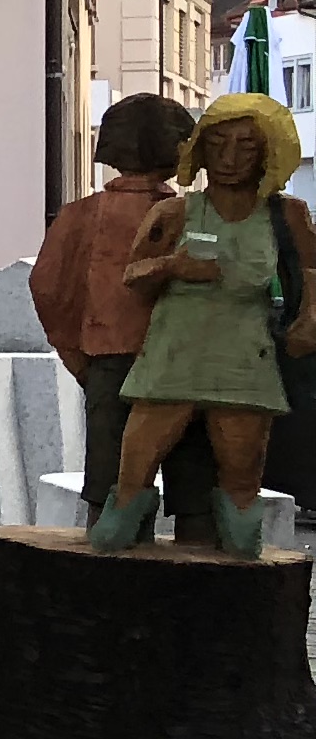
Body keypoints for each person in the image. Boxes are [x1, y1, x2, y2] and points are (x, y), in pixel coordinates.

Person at [95, 93, 316, 555]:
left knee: (242, 483)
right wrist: (172, 266)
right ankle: (113, 551)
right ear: (199, 151)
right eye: (217, 144)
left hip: (244, 358)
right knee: (132, 475)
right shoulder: (175, 212)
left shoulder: (287, 215)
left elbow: (313, 271)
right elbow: (133, 274)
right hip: (173, 354)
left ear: (268, 153)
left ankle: (242, 571)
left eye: (246, 146)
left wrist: (309, 320)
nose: (229, 158)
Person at [34, 95, 212, 539]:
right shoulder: (197, 216)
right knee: (195, 488)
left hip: (109, 360)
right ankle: (200, 568)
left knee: (111, 490)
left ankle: (111, 565)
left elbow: (49, 288)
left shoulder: (81, 214)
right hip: (185, 362)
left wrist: (79, 356)